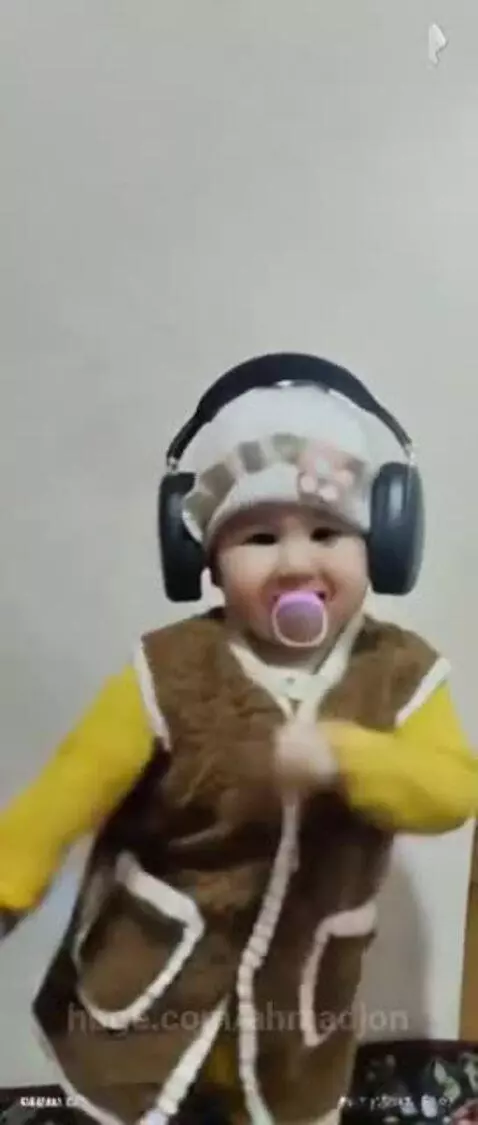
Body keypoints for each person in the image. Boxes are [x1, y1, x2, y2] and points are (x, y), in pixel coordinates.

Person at [1, 352, 477, 1125]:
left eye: (328, 530)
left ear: (383, 546)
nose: (296, 561)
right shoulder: (165, 670)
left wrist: (345, 755)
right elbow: (63, 795)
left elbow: (453, 789)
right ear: (207, 562)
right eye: (258, 537)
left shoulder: (405, 675)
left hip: (300, 1016)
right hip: (151, 996)